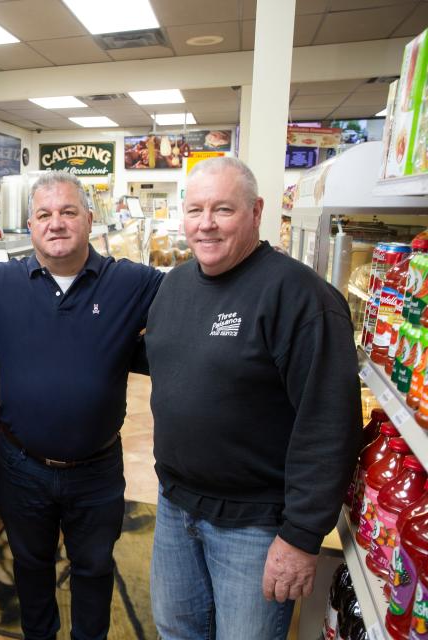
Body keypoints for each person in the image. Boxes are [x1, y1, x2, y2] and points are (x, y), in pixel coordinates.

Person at [144, 157, 361, 639]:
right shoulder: (174, 285)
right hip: (176, 507)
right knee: (175, 630)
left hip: (255, 527)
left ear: (257, 210)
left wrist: (301, 537)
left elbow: (329, 427)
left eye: (223, 209)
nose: (206, 224)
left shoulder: (302, 298)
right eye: (195, 210)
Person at [0, 171, 163, 640]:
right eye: (44, 214)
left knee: (94, 567)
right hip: (21, 465)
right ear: (30, 225)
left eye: (68, 212)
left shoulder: (131, 282)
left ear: (90, 220)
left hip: (96, 469)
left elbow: (196, 295)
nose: (56, 223)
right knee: (31, 566)